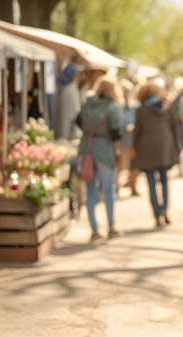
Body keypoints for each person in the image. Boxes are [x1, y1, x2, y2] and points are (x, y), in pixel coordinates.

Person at [77, 76, 123, 241]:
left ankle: (94, 229)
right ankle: (111, 226)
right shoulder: (113, 107)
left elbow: (78, 122)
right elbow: (116, 132)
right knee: (108, 189)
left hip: (87, 149)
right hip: (105, 149)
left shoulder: (87, 105)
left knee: (90, 190)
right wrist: (117, 152)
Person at [132, 82, 181, 227]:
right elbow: (175, 129)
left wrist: (134, 148)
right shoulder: (167, 107)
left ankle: (156, 214)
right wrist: (177, 149)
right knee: (165, 181)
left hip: (146, 148)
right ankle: (164, 209)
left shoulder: (141, 110)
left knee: (151, 182)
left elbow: (137, 132)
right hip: (165, 147)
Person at [117, 79, 140, 196]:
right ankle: (117, 187)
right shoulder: (117, 106)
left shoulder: (135, 106)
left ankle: (132, 186)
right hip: (121, 141)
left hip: (133, 141)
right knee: (121, 166)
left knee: (135, 166)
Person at [55, 63, 82, 139]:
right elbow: (75, 108)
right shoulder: (70, 88)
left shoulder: (65, 87)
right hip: (69, 121)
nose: (78, 76)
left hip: (66, 120)